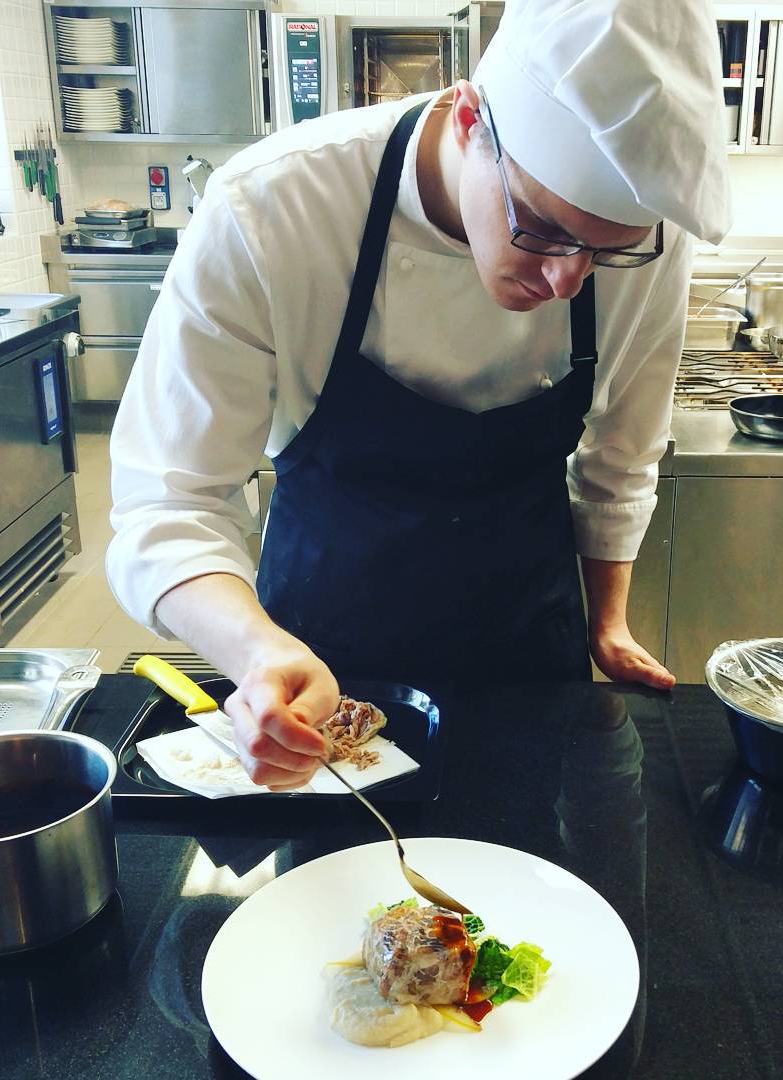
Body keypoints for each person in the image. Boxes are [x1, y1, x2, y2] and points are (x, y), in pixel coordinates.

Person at [107, 0, 731, 790]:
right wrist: (256, 652)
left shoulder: (646, 239)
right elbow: (169, 502)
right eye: (542, 229)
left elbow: (621, 455)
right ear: (469, 120)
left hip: (529, 654)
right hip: (321, 659)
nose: (568, 280)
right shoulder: (272, 209)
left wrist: (608, 622)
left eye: (607, 253)